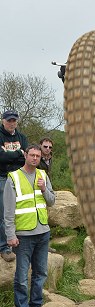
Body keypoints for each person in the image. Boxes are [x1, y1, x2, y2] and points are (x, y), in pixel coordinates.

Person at [4, 144, 55, 307]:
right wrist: (10, 235)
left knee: (41, 273)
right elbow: (8, 211)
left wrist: (44, 189)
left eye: (38, 156)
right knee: (21, 276)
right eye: (32, 155)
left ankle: (36, 306)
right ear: (25, 155)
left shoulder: (43, 175)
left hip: (43, 232)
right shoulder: (14, 177)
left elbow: (51, 201)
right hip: (24, 235)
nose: (35, 158)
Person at [0, 109, 28, 262]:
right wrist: (18, 153)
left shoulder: (21, 137)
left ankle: (19, 243)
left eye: (14, 120)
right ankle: (4, 247)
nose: (12, 123)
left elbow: (26, 158)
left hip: (19, 176)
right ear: (3, 121)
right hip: (3, 177)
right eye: (9, 120)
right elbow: (1, 157)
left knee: (22, 209)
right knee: (5, 212)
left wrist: (9, 156)